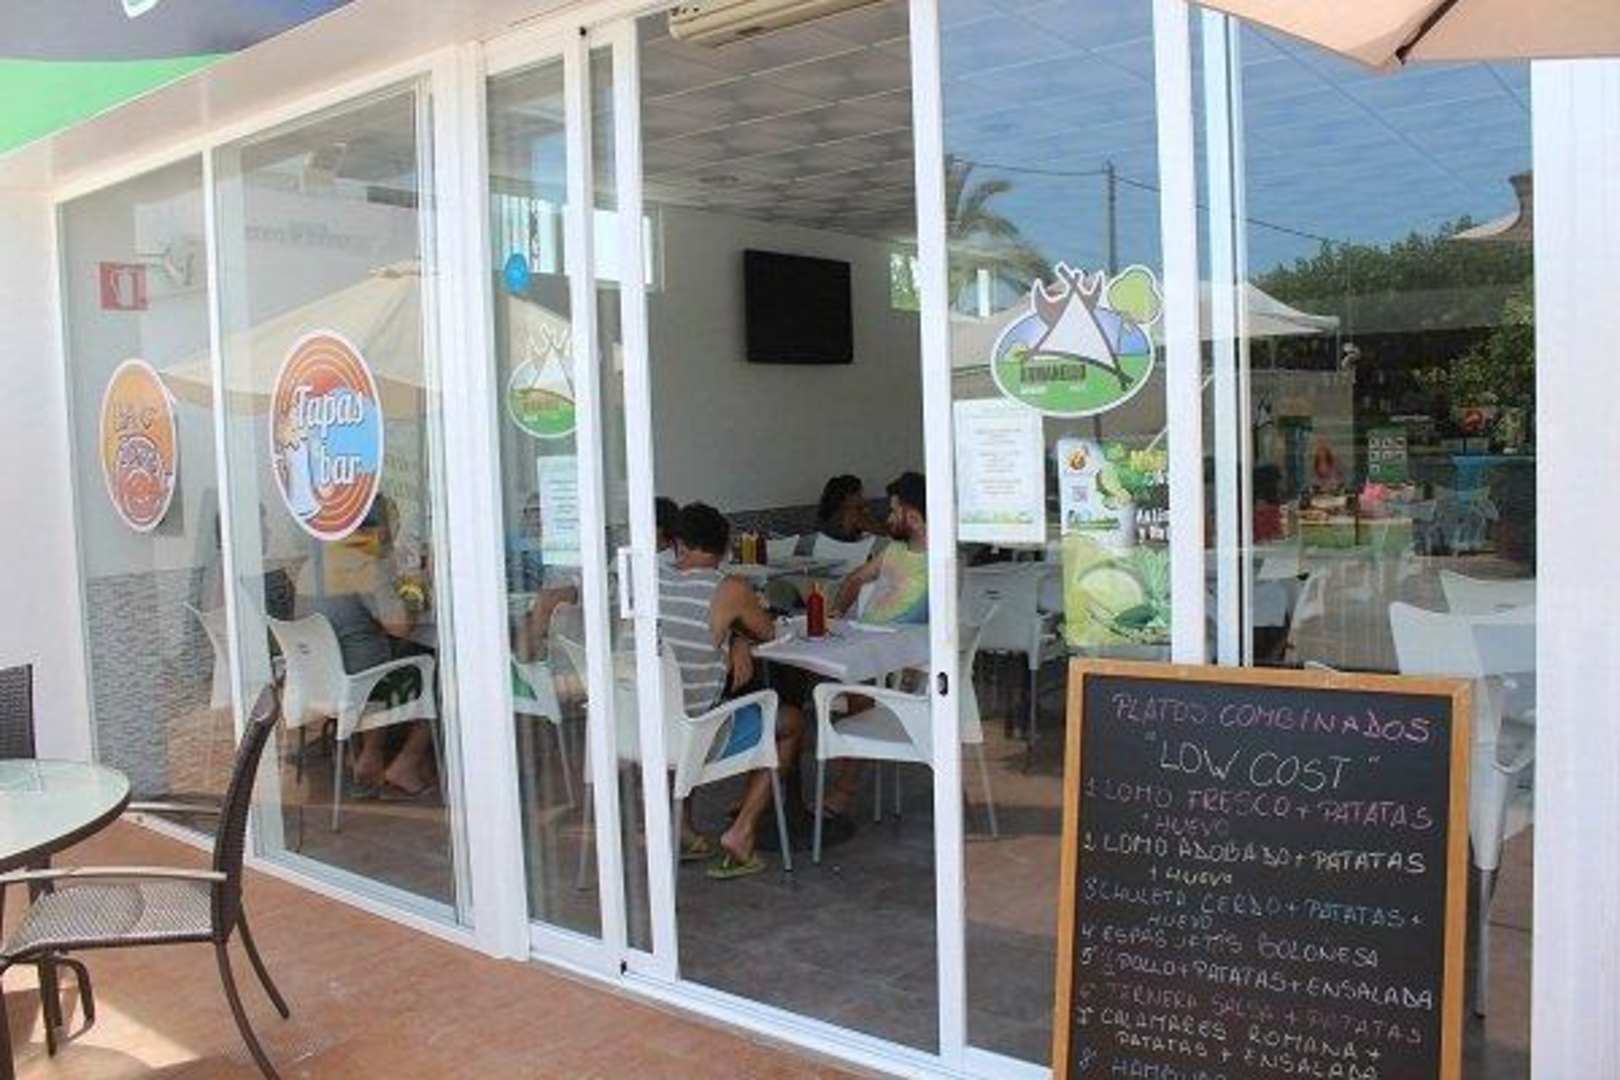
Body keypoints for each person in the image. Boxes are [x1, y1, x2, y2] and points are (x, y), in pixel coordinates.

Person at [660, 502, 806, 879]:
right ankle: (742, 832)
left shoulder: (649, 581)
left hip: (640, 728)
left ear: (678, 544)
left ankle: (683, 829)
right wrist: (740, 636)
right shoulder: (729, 588)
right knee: (791, 722)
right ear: (726, 549)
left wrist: (735, 638)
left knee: (683, 699)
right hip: (695, 736)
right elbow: (770, 632)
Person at [306, 496, 439, 798]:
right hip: (362, 681)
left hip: (321, 678)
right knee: (444, 678)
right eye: (391, 527)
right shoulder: (363, 565)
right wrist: (416, 586)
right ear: (378, 529)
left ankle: (369, 754)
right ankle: (406, 764)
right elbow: (400, 626)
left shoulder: (317, 563)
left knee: (401, 653)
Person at [833, 471, 929, 625]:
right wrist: (835, 615)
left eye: (894, 512)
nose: (889, 519)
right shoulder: (895, 548)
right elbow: (855, 580)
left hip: (895, 636)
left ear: (914, 519)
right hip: (866, 631)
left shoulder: (939, 563)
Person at [814, 474, 880, 544]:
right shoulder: (852, 514)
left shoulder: (825, 517)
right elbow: (880, 533)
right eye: (859, 495)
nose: (862, 499)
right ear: (847, 497)